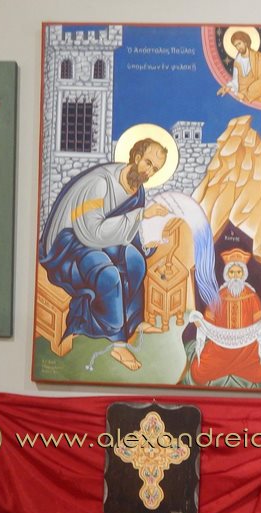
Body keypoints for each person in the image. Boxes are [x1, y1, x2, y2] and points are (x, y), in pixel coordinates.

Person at [39, 138, 169, 370]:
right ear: (136, 156)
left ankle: (133, 321)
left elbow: (127, 232)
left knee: (135, 260)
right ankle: (118, 342)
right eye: (148, 163)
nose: (149, 172)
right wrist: (141, 216)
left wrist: (146, 244)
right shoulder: (100, 183)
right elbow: (90, 232)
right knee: (109, 274)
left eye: (155, 169)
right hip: (69, 244)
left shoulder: (136, 190)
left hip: (100, 238)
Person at [188, 249, 261, 385]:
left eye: (238, 272)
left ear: (243, 274)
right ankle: (229, 367)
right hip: (220, 348)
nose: (235, 276)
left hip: (246, 349)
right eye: (232, 272)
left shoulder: (252, 296)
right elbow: (209, 319)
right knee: (198, 371)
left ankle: (235, 368)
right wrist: (200, 322)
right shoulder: (219, 296)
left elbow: (258, 321)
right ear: (227, 274)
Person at [216, 31, 261, 105]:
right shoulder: (237, 61)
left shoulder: (260, 58)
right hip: (243, 100)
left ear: (245, 42)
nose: (238, 47)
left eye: (239, 43)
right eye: (236, 45)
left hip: (260, 99)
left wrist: (247, 95)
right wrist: (228, 87)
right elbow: (236, 82)